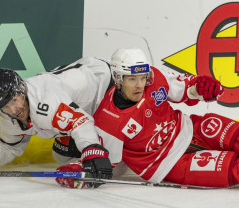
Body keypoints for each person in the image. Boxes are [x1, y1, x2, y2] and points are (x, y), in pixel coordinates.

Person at [56, 47, 239, 188]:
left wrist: (200, 88)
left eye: (142, 78)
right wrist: (82, 172)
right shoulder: (108, 120)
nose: (140, 85)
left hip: (190, 128)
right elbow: (104, 163)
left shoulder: (154, 78)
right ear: (118, 78)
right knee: (234, 169)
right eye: (132, 79)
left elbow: (185, 89)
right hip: (169, 164)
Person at [0, 57, 114, 187]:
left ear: (23, 89)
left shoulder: (46, 102)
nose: (14, 110)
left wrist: (92, 151)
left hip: (105, 86)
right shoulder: (7, 113)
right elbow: (9, 146)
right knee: (62, 156)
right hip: (84, 100)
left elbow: (81, 123)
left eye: (14, 100)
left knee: (108, 159)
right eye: (5, 107)